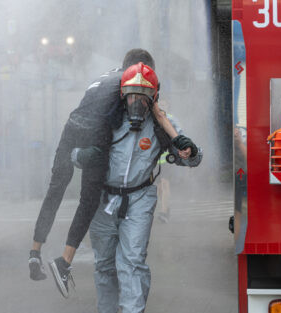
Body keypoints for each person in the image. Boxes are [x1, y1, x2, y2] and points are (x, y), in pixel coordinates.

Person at [28, 49, 184, 298]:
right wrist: (178, 139)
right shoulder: (132, 80)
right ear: (140, 68)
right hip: (95, 134)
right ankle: (64, 262)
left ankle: (35, 252)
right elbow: (153, 112)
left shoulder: (103, 77)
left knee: (55, 191)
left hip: (71, 127)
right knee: (88, 201)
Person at [88, 63, 202, 313]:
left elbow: (191, 158)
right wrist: (83, 155)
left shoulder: (164, 124)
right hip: (102, 200)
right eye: (132, 94)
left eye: (144, 95)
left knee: (132, 262)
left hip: (139, 199)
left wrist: (188, 149)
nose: (137, 101)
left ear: (154, 98)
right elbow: (75, 151)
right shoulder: (106, 119)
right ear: (122, 95)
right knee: (105, 264)